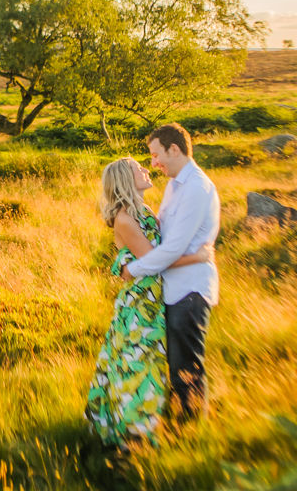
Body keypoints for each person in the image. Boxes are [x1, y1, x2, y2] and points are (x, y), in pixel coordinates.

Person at [84, 156, 212, 448]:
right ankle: (132, 438)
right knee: (138, 368)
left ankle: (151, 426)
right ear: (126, 180)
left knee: (152, 363)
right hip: (141, 304)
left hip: (158, 297)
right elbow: (155, 261)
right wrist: (199, 257)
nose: (145, 169)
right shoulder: (125, 219)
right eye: (137, 168)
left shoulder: (145, 212)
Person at [123, 122, 220, 421]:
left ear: (174, 149)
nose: (154, 164)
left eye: (155, 155)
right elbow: (164, 238)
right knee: (175, 363)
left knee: (187, 366)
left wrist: (133, 270)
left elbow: (173, 247)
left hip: (190, 290)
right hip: (174, 287)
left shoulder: (196, 188)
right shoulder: (175, 186)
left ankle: (191, 430)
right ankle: (181, 421)